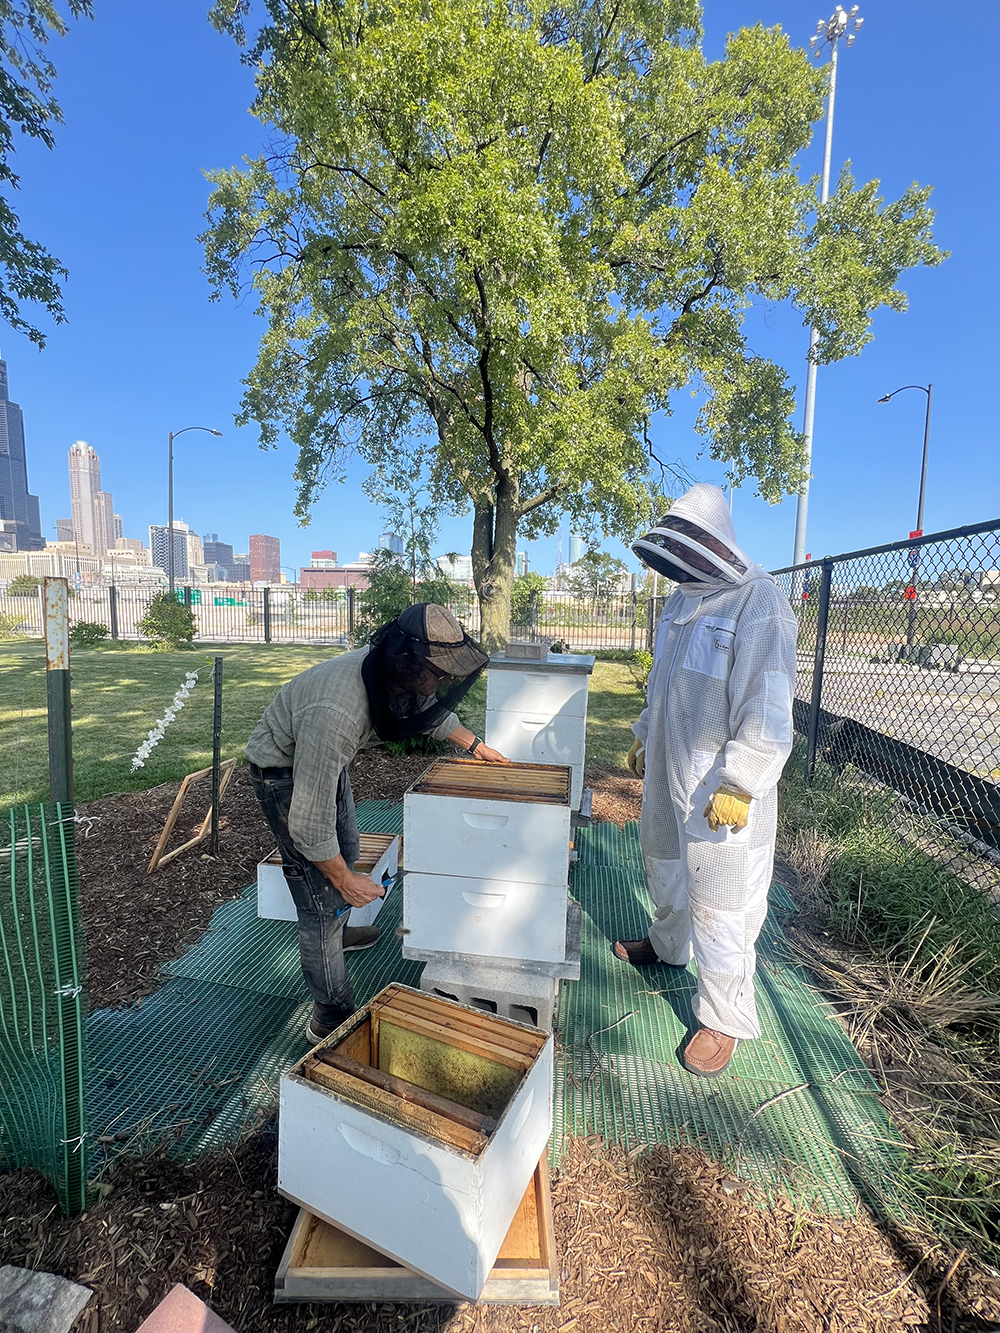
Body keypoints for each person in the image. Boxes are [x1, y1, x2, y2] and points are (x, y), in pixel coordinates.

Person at [245, 603, 508, 1043]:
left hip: (319, 761)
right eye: (438, 673)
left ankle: (341, 933)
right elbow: (308, 823)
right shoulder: (338, 714)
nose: (444, 682)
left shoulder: (391, 671)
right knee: (320, 899)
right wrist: (344, 881)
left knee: (347, 848)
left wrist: (476, 746)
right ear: (408, 662)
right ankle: (329, 1016)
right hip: (283, 773)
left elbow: (426, 711)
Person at [616, 483, 797, 1077]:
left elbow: (767, 702)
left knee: (724, 902)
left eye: (691, 545)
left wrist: (742, 780)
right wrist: (645, 734)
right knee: (663, 859)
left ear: (716, 542)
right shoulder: (680, 602)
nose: (681, 559)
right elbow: (663, 681)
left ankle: (723, 1016)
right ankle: (669, 945)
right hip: (670, 766)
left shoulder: (758, 601)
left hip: (721, 786)